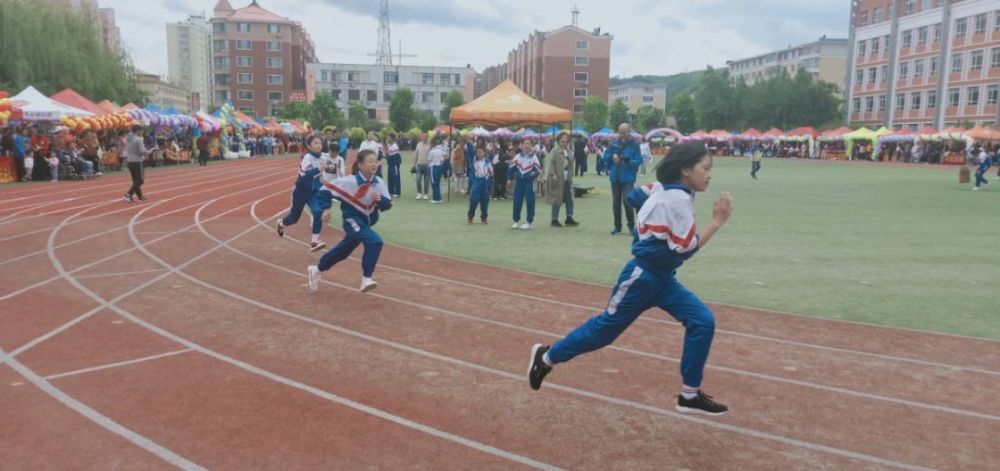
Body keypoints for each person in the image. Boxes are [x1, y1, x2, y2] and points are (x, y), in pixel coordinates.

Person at [527, 141, 734, 416]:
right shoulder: (677, 199)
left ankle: (689, 394)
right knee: (604, 331)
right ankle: (546, 357)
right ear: (685, 169)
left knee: (702, 321)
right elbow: (685, 250)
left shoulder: (664, 189)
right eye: (705, 168)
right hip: (641, 278)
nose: (709, 175)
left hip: (663, 279)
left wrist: (646, 226)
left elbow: (634, 196)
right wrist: (717, 221)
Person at [308, 149, 392, 293]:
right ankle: (366, 279)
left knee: (344, 251)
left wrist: (381, 200)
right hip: (351, 219)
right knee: (375, 241)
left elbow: (387, 205)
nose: (374, 164)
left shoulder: (379, 182)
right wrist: (326, 209)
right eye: (370, 161)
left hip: (367, 221)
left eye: (375, 161)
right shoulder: (349, 181)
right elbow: (325, 189)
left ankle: (316, 269)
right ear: (360, 165)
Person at [276, 135, 327, 242]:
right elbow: (305, 175)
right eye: (316, 143)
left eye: (320, 143)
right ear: (309, 145)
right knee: (293, 219)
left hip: (313, 193)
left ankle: (315, 241)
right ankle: (281, 223)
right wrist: (318, 169)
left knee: (317, 211)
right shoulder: (307, 158)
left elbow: (324, 173)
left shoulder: (323, 158)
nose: (319, 145)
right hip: (301, 191)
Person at [602, 124, 642, 236]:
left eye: (624, 132)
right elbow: (605, 156)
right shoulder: (613, 143)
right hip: (615, 178)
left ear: (629, 131)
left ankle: (631, 226)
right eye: (620, 132)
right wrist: (612, 158)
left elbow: (639, 160)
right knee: (616, 203)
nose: (622, 135)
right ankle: (617, 227)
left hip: (628, 178)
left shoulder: (634, 144)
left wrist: (629, 161)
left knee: (627, 201)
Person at [546, 132, 579, 227]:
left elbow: (571, 163)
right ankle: (554, 219)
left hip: (567, 178)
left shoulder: (569, 151)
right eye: (562, 140)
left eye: (566, 140)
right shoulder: (554, 151)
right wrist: (553, 174)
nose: (564, 142)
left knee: (569, 198)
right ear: (559, 141)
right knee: (557, 198)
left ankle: (569, 217)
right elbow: (551, 163)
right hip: (558, 178)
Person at [508, 139, 541, 230]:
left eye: (528, 144)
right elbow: (512, 168)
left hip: (529, 183)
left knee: (530, 201)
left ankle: (529, 222)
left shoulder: (534, 157)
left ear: (531, 146)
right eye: (525, 144)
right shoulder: (518, 156)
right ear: (522, 146)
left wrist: (529, 175)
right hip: (519, 182)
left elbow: (538, 170)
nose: (526, 146)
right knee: (517, 201)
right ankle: (516, 221)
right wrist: (509, 179)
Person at [122, 125, 151, 202]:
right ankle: (128, 194)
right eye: (142, 130)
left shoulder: (128, 138)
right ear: (138, 131)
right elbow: (142, 151)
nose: (143, 132)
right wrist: (148, 152)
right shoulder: (139, 139)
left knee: (136, 180)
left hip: (130, 161)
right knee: (140, 180)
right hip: (137, 161)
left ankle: (140, 196)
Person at [467, 146, 493, 224]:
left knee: (484, 201)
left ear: (484, 153)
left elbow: (491, 172)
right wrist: (469, 142)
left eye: (480, 152)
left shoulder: (488, 161)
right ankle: (470, 216)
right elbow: (470, 152)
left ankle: (484, 217)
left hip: (485, 181)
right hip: (477, 180)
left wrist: (489, 180)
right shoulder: (474, 160)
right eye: (477, 152)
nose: (479, 154)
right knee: (474, 199)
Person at [427, 137, 448, 204]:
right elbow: (446, 155)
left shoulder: (432, 151)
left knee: (434, 183)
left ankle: (436, 198)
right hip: (440, 166)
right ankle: (437, 197)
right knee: (437, 182)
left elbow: (429, 159)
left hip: (433, 166)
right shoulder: (442, 150)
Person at [413, 133, 431, 199]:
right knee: (418, 179)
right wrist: (414, 164)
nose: (424, 137)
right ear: (421, 137)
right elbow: (416, 155)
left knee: (426, 181)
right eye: (423, 136)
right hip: (419, 165)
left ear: (427, 137)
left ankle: (426, 194)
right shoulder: (418, 145)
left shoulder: (430, 145)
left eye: (425, 136)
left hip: (427, 165)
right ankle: (419, 193)